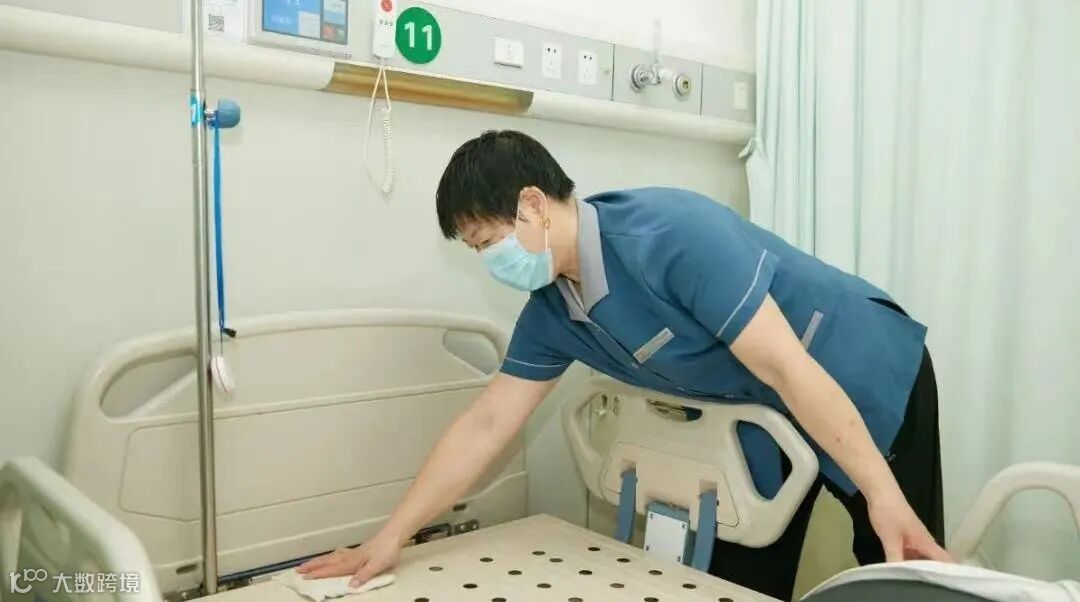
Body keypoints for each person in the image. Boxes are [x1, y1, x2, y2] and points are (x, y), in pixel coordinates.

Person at [298, 130, 949, 600]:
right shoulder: (553, 311)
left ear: (532, 204)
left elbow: (785, 365)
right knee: (735, 584)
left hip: (855, 369)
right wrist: (392, 538)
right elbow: (487, 423)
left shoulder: (671, 235)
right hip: (757, 416)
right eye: (476, 252)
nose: (490, 262)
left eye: (489, 242)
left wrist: (882, 494)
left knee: (897, 563)